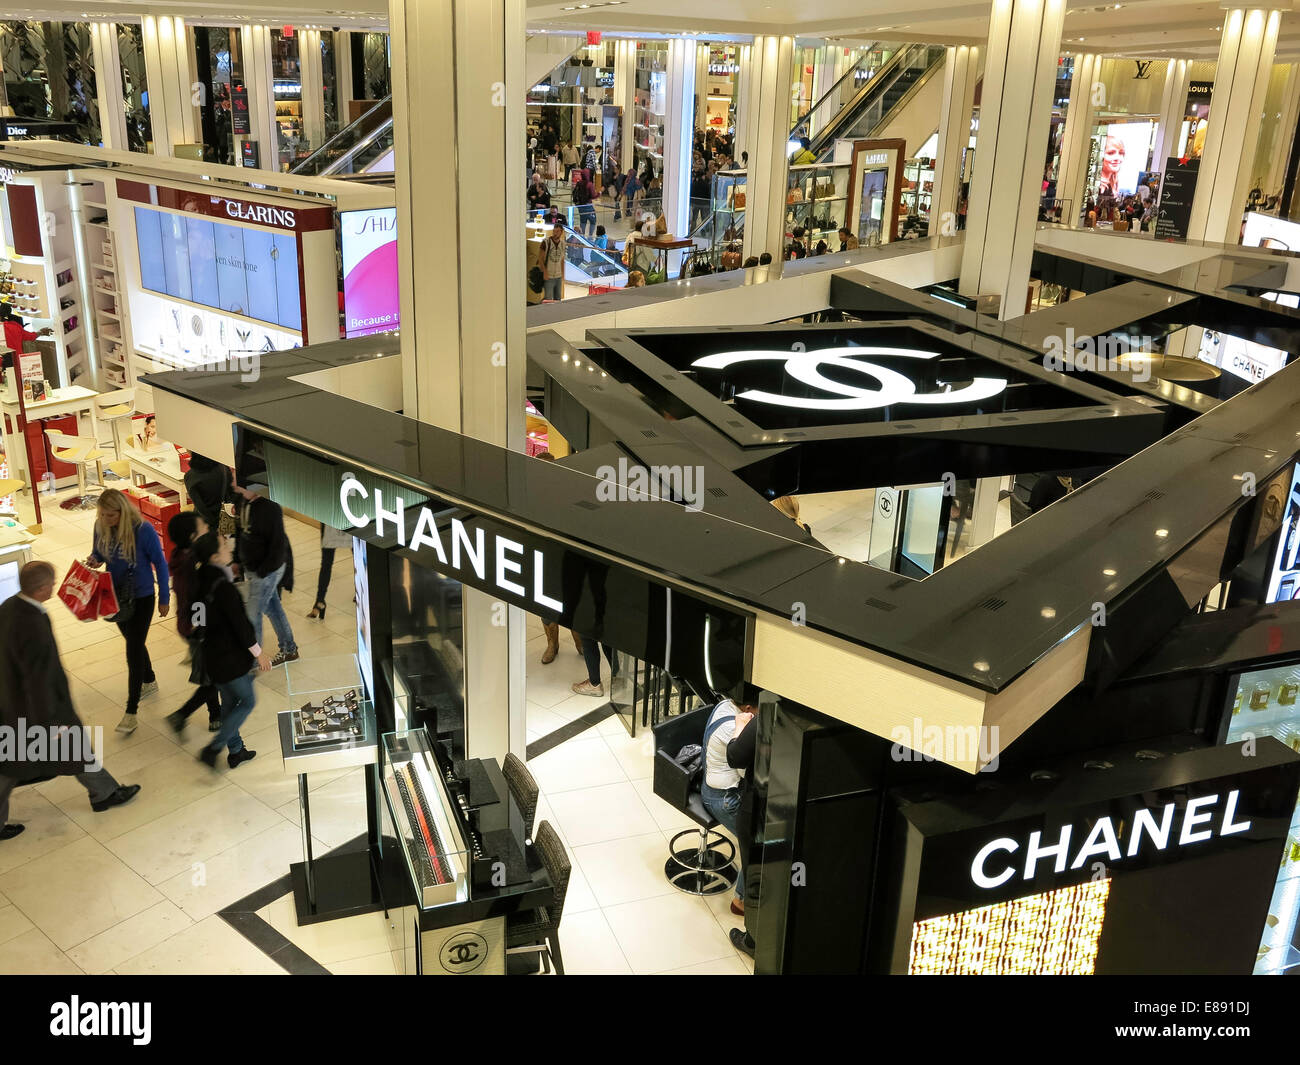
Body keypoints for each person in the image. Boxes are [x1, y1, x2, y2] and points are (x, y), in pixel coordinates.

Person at [0, 562, 141, 839]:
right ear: (41, 589)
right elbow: (38, 678)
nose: (53, 587)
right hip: (37, 711)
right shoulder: (34, 625)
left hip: (11, 702)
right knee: (14, 765)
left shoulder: (7, 607)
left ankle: (104, 791)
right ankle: (104, 793)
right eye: (51, 584)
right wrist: (52, 722)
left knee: (21, 760)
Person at [87, 488, 170, 734]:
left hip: (143, 596)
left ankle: (131, 711)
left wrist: (164, 597)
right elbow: (99, 553)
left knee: (132, 649)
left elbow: (161, 564)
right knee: (134, 640)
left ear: (122, 512)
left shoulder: (142, 530)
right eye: (102, 515)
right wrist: (94, 560)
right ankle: (149, 679)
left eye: (110, 516)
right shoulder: (99, 526)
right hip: (115, 594)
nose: (105, 520)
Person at [191, 533, 271, 769]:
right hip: (231, 660)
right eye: (224, 545)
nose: (229, 546)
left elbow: (196, 620)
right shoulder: (225, 589)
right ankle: (214, 747)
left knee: (228, 704)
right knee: (247, 701)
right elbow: (241, 627)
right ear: (215, 557)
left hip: (211, 658)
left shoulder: (197, 581)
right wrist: (259, 653)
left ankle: (235, 751)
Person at [699, 693, 759, 928]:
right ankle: (741, 901)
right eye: (756, 714)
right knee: (756, 843)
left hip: (710, 784)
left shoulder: (725, 705)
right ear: (746, 708)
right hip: (723, 798)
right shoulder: (733, 730)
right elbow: (747, 774)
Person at [166, 511, 222, 734]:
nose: (207, 528)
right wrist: (202, 629)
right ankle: (182, 714)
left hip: (190, 626)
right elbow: (195, 599)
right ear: (192, 536)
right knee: (216, 676)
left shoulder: (181, 557)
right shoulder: (192, 564)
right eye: (202, 527)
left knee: (209, 674)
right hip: (198, 628)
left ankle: (214, 714)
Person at [232, 482, 298, 666]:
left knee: (253, 615)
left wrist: (263, 571)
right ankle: (289, 648)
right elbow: (236, 531)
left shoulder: (270, 508)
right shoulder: (240, 499)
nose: (234, 484)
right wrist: (237, 560)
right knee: (273, 609)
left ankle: (253, 660)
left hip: (265, 571)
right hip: (253, 569)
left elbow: (278, 545)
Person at [308, 521, 353, 620]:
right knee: (358, 556)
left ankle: (319, 601)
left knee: (326, 563)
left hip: (336, 518)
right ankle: (320, 601)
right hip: (343, 517)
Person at [183, 452, 231, 532]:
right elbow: (230, 494)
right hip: (226, 519)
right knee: (227, 543)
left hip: (205, 523)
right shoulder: (223, 467)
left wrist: (213, 524)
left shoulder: (190, 476)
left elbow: (200, 507)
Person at [537, 221, 567, 301]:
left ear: (561, 232)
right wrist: (545, 272)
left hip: (558, 276)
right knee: (548, 299)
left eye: (557, 231)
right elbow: (540, 259)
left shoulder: (563, 244)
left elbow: (562, 260)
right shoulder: (546, 242)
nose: (555, 233)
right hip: (549, 276)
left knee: (558, 299)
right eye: (554, 231)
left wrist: (563, 275)